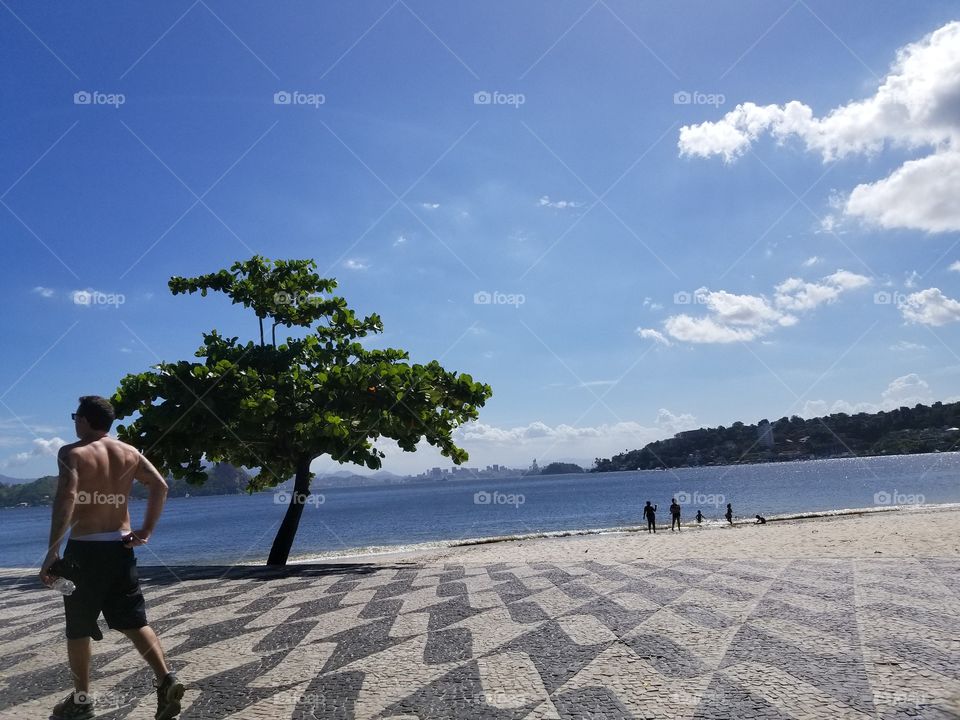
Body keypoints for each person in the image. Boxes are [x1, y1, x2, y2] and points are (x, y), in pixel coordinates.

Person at [39, 396, 185, 720]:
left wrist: (52, 551)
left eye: (76, 416)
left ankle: (81, 701)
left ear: (85, 421)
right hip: (121, 548)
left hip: (85, 551)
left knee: (78, 628)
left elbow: (66, 498)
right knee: (134, 620)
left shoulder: (72, 453)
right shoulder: (130, 453)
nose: (75, 422)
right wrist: (145, 531)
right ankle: (165, 679)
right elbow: (160, 486)